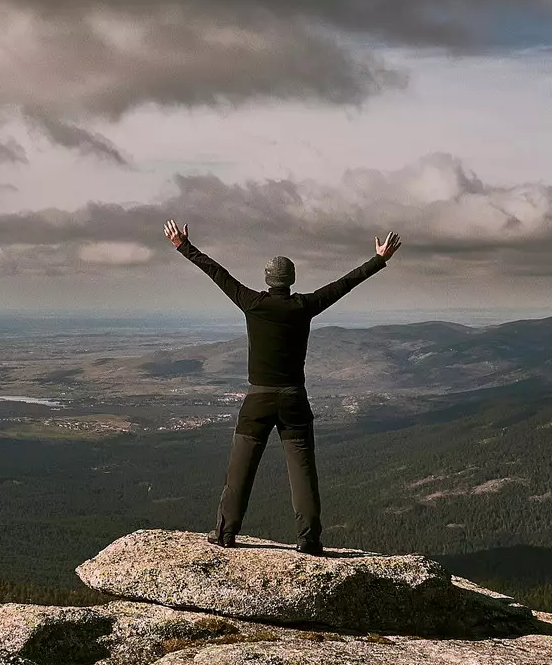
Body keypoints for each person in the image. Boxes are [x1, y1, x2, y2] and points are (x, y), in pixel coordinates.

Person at [163, 219, 401, 555]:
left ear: (267, 279)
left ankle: (225, 533)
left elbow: (217, 273)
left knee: (240, 469)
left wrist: (183, 246)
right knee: (302, 471)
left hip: (258, 399)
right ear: (291, 280)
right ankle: (309, 540)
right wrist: (379, 260)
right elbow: (343, 284)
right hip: (294, 401)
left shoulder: (252, 303)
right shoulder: (303, 306)